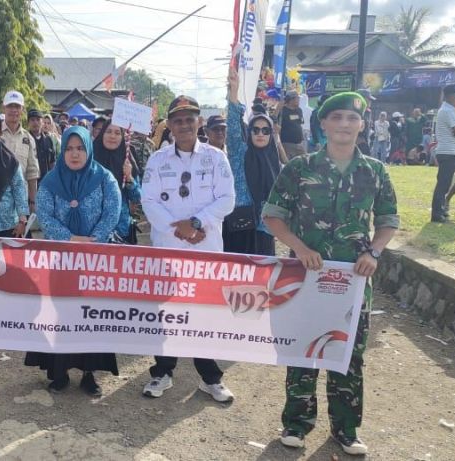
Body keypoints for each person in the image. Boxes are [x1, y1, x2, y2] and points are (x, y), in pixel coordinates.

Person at [262, 92, 399, 456]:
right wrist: (300, 248)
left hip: (353, 281)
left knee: (349, 354)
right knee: (302, 350)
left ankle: (346, 429)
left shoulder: (375, 171)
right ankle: (296, 423)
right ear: (322, 123)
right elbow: (273, 215)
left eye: (352, 118)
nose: (344, 124)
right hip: (306, 278)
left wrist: (374, 252)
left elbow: (388, 220)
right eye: (336, 117)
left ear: (362, 125)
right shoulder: (299, 168)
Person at [140, 95, 236, 403]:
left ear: (199, 122)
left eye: (189, 119)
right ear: (169, 125)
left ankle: (210, 378)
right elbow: (148, 201)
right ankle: (162, 372)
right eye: (178, 120)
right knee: (167, 312)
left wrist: (195, 223)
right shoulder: (158, 160)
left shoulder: (216, 158)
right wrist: (179, 230)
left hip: (205, 250)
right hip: (169, 249)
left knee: (203, 314)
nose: (184, 125)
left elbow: (227, 200)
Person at [26, 126, 121, 395]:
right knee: (61, 313)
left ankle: (89, 373)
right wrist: (70, 239)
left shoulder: (104, 178)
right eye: (69, 148)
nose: (74, 154)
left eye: (80, 148)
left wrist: (93, 240)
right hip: (60, 259)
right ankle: (60, 371)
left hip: (95, 259)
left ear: (88, 149)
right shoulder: (50, 180)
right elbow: (45, 216)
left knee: (91, 315)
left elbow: (112, 212)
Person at [224, 66, 281, 256]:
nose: (260, 134)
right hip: (239, 226)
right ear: (249, 132)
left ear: (271, 134)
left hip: (265, 230)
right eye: (255, 129)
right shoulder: (240, 153)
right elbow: (233, 127)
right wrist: (234, 91)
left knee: (263, 273)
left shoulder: (275, 163)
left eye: (265, 130)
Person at [94, 121, 141, 244]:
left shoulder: (127, 160)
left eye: (117, 133)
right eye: (108, 132)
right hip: (93, 229)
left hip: (121, 230)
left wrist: (129, 177)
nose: (112, 136)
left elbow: (137, 197)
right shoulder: (90, 159)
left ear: (122, 137)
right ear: (102, 134)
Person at [431, 84, 455, 223]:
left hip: (449, 151)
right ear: (450, 95)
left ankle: (440, 212)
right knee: (443, 185)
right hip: (448, 151)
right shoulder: (447, 110)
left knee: (445, 184)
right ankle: (437, 214)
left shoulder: (449, 110)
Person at [28, 109, 57, 179]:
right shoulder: (25, 140)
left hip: (46, 180)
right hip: (30, 180)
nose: (35, 122)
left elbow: (52, 162)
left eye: (38, 120)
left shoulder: (48, 140)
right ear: (28, 123)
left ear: (42, 122)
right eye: (32, 120)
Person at [277, 91, 306, 158]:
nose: (299, 100)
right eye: (297, 98)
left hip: (299, 144)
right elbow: (274, 122)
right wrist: (278, 109)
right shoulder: (282, 111)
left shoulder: (299, 110)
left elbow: (300, 123)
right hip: (287, 145)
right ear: (291, 99)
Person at [356, 88, 375, 155]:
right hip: (357, 144)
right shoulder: (354, 111)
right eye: (368, 99)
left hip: (365, 142)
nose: (370, 101)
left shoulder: (367, 112)